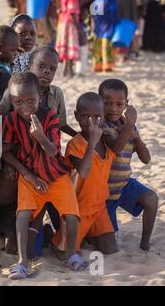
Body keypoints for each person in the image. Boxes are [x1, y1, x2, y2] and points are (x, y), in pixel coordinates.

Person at [1, 72, 82, 279]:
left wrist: (39, 136)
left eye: (31, 101)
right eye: (19, 102)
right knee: (22, 215)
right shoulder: (11, 120)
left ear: (39, 97)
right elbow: (5, 151)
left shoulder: (50, 115)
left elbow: (54, 151)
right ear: (11, 101)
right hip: (31, 177)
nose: (25, 106)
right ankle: (22, 263)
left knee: (72, 215)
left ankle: (70, 254)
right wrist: (27, 175)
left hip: (56, 176)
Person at [52, 92, 118, 255]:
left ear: (103, 117)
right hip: (79, 209)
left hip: (99, 207)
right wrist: (92, 143)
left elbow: (119, 148)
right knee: (63, 253)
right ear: (76, 116)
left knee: (110, 249)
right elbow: (84, 171)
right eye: (85, 116)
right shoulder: (76, 144)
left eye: (97, 117)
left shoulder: (106, 141)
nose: (91, 122)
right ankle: (50, 235)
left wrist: (120, 130)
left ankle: (89, 234)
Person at [98, 79, 158, 251]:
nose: (113, 108)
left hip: (123, 185)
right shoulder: (102, 125)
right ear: (99, 101)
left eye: (119, 104)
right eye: (107, 103)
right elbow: (116, 149)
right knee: (109, 248)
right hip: (104, 192)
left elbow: (146, 159)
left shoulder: (130, 127)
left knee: (151, 199)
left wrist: (136, 136)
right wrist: (129, 126)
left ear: (126, 105)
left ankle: (145, 243)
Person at [0, 46, 77, 137]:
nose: (47, 71)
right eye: (41, 66)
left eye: (52, 69)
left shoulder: (57, 93)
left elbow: (62, 125)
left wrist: (79, 136)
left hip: (47, 147)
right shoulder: (15, 91)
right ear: (29, 66)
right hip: (18, 146)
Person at [90, 0, 119, 72]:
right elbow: (106, 0)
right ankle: (107, 64)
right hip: (106, 14)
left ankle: (97, 64)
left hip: (96, 14)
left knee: (98, 36)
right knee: (107, 37)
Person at [55, 0, 81, 77]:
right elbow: (72, 12)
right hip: (70, 23)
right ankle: (70, 70)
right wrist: (78, 27)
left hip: (61, 22)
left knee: (64, 46)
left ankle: (65, 70)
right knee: (70, 45)